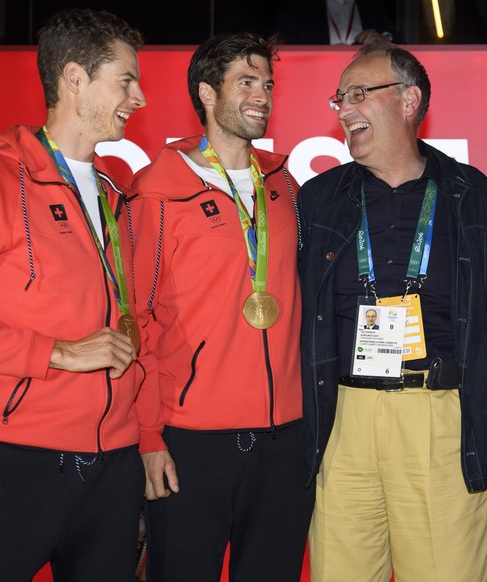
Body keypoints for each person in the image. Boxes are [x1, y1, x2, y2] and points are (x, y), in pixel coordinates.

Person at [0, 9, 146, 581]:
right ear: (74, 79)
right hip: (17, 462)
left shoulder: (116, 195)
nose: (139, 97)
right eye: (125, 79)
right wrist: (60, 352)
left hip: (113, 467)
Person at [298, 42, 487, 581]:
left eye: (360, 94)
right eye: (340, 98)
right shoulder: (317, 198)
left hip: (439, 418)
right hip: (344, 421)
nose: (344, 109)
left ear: (410, 99)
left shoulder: (469, 193)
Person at [129, 32, 313, 582]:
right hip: (192, 442)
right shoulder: (156, 192)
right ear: (207, 94)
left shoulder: (285, 184)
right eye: (247, 83)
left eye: (268, 85)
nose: (263, 96)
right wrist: (147, 436)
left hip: (286, 440)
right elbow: (136, 320)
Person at [273, 0, 403, 45]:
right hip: (315, 78)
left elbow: (401, 41)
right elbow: (278, 44)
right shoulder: (297, 5)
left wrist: (384, 39)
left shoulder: (371, 4)